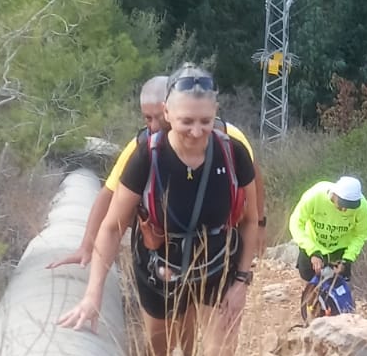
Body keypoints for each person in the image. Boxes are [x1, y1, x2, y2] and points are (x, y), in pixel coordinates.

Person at [58, 66, 257, 356]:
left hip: (217, 267)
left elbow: (250, 220)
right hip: (160, 270)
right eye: (186, 121)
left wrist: (242, 281)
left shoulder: (232, 153)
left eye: (205, 121)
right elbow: (112, 227)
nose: (197, 131)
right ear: (167, 113)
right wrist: (93, 295)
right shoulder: (146, 157)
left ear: (216, 113)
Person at [49, 71, 267, 268]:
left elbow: (252, 175)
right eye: (147, 118)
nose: (153, 126)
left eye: (159, 118)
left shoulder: (227, 138)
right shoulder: (142, 147)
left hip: (218, 243)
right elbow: (109, 193)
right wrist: (86, 246)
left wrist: (260, 224)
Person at [289, 176, 367, 285]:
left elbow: (361, 234)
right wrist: (312, 251)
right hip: (312, 244)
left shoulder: (362, 207)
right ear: (335, 194)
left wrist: (347, 259)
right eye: (342, 204)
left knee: (337, 285)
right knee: (308, 280)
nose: (344, 210)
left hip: (340, 250)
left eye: (350, 207)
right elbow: (296, 223)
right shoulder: (315, 195)